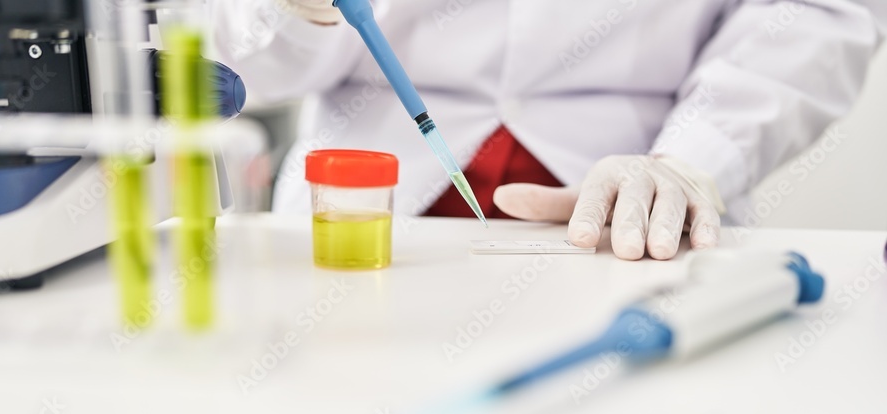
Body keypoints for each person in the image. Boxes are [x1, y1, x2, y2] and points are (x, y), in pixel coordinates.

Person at [209, 0, 886, 260]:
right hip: (363, 210)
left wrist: (694, 157)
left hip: (639, 207)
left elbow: (816, 12)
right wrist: (290, 9)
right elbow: (244, 70)